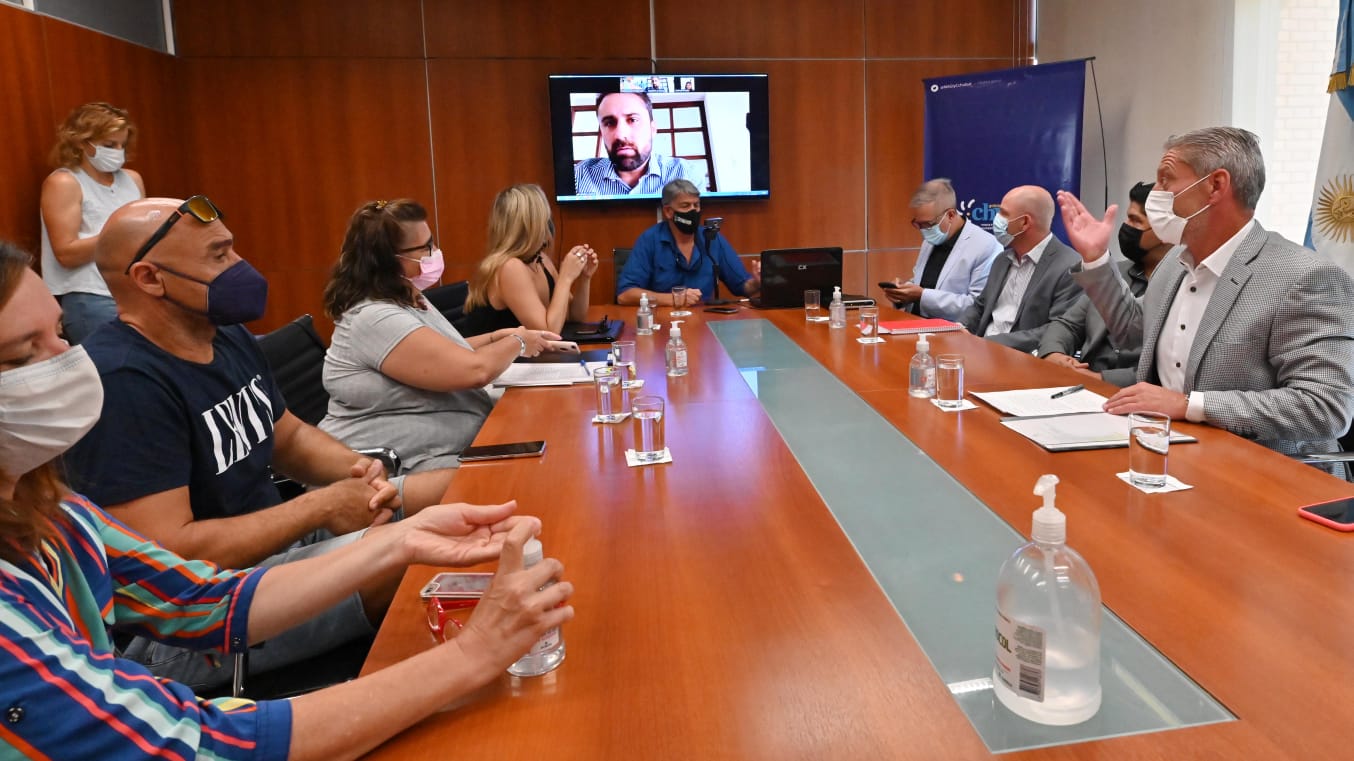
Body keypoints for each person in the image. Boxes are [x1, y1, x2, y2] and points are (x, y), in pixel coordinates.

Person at [0, 240, 573, 761]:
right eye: (22, 357)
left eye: (61, 333)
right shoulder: (129, 379)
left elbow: (203, 599)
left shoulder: (55, 510)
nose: (70, 362)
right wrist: (473, 654)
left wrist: (398, 538)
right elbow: (202, 745)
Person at [61, 196, 457, 690]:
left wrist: (363, 475)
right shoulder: (123, 383)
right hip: (196, 614)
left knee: (462, 492)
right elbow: (170, 552)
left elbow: (286, 434)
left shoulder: (224, 334)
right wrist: (322, 508)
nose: (240, 267)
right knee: (421, 552)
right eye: (219, 256)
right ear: (149, 278)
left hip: (276, 546)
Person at [1057, 126, 1354, 465]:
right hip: (1167, 455)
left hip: (1263, 475)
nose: (1156, 192)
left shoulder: (1304, 277)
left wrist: (1189, 405)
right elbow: (1136, 333)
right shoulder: (1174, 261)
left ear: (1215, 186)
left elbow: (1325, 406)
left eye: (1166, 179)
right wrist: (1096, 260)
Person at [321, 198, 562, 471]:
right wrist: (518, 342)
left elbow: (441, 351)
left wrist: (495, 337)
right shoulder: (374, 318)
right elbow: (475, 371)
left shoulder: (406, 296)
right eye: (425, 247)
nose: (435, 252)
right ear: (389, 259)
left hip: (442, 448)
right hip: (387, 468)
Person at [1039, 181, 1170, 385]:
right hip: (1079, 386)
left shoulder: (1179, 285)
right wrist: (1054, 354)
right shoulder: (1112, 273)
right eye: (1127, 217)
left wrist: (1099, 378)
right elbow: (1067, 324)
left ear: (1165, 230)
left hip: (1133, 396)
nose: (1126, 226)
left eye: (1135, 220)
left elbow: (1168, 370)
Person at [39, 101, 146, 343]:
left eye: (122, 145)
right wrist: (124, 234)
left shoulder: (132, 179)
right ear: (81, 142)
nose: (117, 152)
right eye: (109, 145)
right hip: (91, 298)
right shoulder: (65, 182)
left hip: (136, 292)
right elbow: (66, 254)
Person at [457, 184, 597, 336]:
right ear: (531, 225)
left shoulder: (541, 259)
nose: (548, 225)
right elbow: (549, 332)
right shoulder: (509, 267)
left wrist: (584, 278)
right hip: (494, 358)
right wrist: (566, 277)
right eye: (545, 218)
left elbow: (574, 317)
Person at [956, 185, 1083, 352]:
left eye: (1003, 213)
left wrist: (991, 342)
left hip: (1023, 358)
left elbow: (1058, 329)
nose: (997, 218)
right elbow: (981, 305)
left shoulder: (1070, 266)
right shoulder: (1002, 259)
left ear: (1024, 222)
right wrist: (961, 327)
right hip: (980, 350)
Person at [616, 179, 761, 307]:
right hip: (662, 323)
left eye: (696, 205)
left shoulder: (711, 239)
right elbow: (625, 295)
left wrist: (758, 283)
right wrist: (674, 299)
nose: (693, 211)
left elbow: (742, 286)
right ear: (668, 212)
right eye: (685, 206)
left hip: (703, 325)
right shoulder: (650, 240)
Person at [881, 178, 1002, 321]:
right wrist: (903, 292)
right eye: (918, 224)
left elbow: (976, 306)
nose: (923, 230)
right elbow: (923, 284)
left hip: (955, 334)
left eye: (928, 224)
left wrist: (921, 295)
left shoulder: (986, 245)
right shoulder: (930, 240)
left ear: (950, 215)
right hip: (916, 324)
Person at [573, 91, 703, 196]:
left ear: (653, 129)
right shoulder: (580, 174)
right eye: (609, 123)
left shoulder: (686, 174)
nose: (620, 134)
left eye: (633, 120)